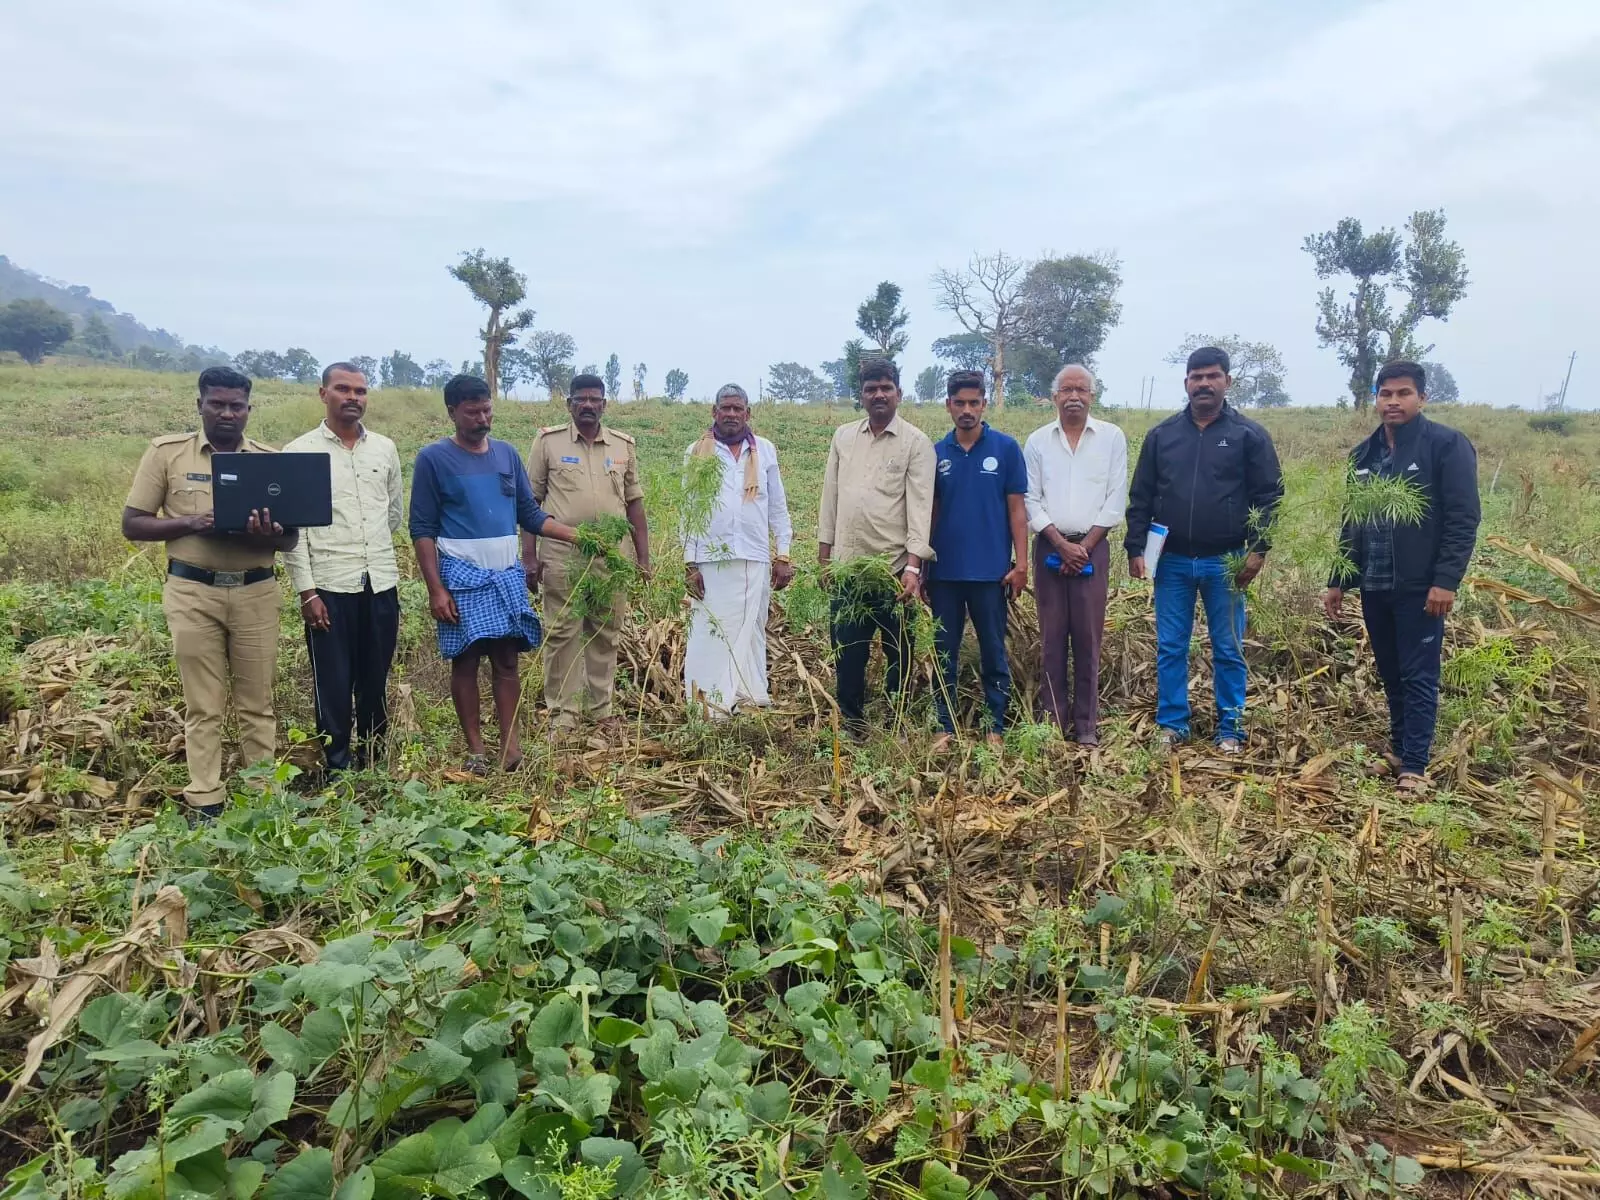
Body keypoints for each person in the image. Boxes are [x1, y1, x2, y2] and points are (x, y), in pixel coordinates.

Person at [122, 366, 298, 819]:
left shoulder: (269, 460)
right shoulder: (167, 454)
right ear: (199, 404)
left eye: (236, 406)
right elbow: (133, 524)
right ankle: (205, 800)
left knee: (258, 703)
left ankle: (263, 799)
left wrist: (268, 531)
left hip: (255, 593)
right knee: (203, 704)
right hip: (193, 593)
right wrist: (192, 522)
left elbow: (290, 539)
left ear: (248, 409)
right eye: (217, 404)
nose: (226, 413)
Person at [1324, 361, 1480, 792]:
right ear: (1376, 398)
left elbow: (1463, 518)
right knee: (1391, 671)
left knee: (1419, 674)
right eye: (1386, 394)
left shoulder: (1445, 446)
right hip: (1374, 582)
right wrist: (1339, 578)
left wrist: (1445, 580)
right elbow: (1351, 521)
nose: (1393, 401)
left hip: (1420, 585)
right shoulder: (1363, 454)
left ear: (1422, 398)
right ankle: (1398, 750)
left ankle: (1415, 765)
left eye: (1403, 393)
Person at [409, 374, 577, 773]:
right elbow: (422, 529)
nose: (482, 419)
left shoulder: (506, 455)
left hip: (505, 573)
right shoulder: (433, 459)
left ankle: (510, 748)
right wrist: (436, 589)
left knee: (507, 661)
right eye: (472, 412)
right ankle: (476, 751)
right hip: (461, 576)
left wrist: (576, 536)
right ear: (452, 412)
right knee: (466, 661)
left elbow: (529, 514)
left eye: (487, 410)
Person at [1125, 346, 1284, 752]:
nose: (1204, 384)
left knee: (1228, 647)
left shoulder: (1248, 435)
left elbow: (1269, 496)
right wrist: (1135, 547)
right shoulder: (1162, 436)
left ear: (1227, 381)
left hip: (1227, 560)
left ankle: (1230, 729)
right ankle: (1172, 724)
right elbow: (1141, 496)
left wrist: (1258, 550)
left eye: (1213, 376)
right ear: (1186, 383)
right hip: (1172, 560)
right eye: (1197, 377)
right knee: (1170, 646)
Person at [282, 362, 404, 774]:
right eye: (343, 389)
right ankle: (337, 768)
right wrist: (307, 592)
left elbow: (392, 515)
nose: (353, 397)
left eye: (360, 391)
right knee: (332, 684)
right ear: (323, 394)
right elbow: (293, 531)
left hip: (380, 583)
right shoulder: (299, 453)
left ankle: (373, 761)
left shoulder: (384, 449)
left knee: (375, 679)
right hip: (329, 588)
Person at [526, 374, 651, 739]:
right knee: (561, 631)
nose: (588, 405)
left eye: (595, 400)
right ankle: (563, 715)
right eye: (580, 399)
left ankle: (600, 710)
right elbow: (529, 502)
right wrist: (529, 556)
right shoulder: (548, 442)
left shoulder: (623, 445)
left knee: (605, 631)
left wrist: (643, 558)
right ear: (569, 404)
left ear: (604, 405)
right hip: (563, 555)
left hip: (612, 558)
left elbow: (634, 504)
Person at [817, 358, 935, 736]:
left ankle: (895, 721)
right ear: (861, 395)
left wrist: (913, 567)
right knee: (848, 652)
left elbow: (920, 508)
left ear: (899, 393)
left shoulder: (916, 443)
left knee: (900, 651)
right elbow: (830, 498)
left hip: (893, 571)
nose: (879, 394)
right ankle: (852, 722)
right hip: (848, 569)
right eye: (871, 389)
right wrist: (824, 557)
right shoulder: (843, 437)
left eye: (886, 387)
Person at [1023, 364, 1128, 745]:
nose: (1073, 397)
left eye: (1081, 390)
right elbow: (1030, 498)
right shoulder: (1038, 441)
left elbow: (1115, 499)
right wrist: (1060, 543)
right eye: (1066, 390)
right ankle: (1053, 721)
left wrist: (1084, 547)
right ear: (1054, 397)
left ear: (1092, 396)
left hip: (1092, 551)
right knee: (1052, 638)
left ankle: (1086, 726)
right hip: (1049, 549)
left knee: (1088, 638)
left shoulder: (1111, 438)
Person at [927, 369, 1027, 750]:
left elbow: (1017, 511)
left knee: (993, 652)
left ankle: (994, 727)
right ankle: (944, 726)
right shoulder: (936, 453)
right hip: (945, 574)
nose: (966, 410)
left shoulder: (1006, 449)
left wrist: (1021, 564)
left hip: (991, 573)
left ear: (984, 404)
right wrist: (923, 566)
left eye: (974, 403)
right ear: (948, 405)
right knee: (943, 654)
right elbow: (931, 512)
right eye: (959, 403)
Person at [682, 384, 796, 714]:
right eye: (725, 408)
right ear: (714, 412)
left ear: (748, 413)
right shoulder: (697, 452)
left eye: (737, 408)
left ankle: (749, 699)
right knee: (709, 632)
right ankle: (707, 706)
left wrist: (783, 554)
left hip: (753, 558)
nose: (731, 414)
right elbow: (689, 509)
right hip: (710, 561)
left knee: (751, 632)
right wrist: (690, 563)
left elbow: (777, 507)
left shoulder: (765, 451)